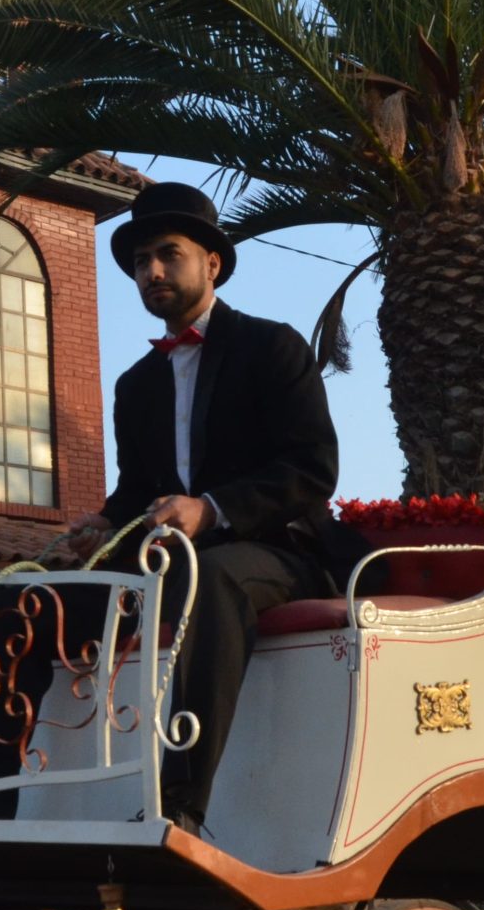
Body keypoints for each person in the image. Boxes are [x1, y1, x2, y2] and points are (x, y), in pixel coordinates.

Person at [50, 181, 363, 831]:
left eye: (168, 254)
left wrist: (212, 509)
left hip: (280, 552)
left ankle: (180, 809)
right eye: (140, 262)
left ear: (211, 263)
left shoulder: (272, 348)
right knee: (36, 598)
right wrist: (104, 524)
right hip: (174, 559)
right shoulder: (136, 385)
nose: (152, 271)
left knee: (211, 576)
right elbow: (139, 490)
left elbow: (312, 470)